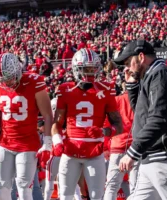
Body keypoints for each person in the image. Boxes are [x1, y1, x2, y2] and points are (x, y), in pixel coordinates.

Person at [115, 40, 167, 200]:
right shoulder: (152, 75)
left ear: (141, 57)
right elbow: (142, 115)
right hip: (154, 159)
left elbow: (159, 120)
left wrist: (133, 152)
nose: (127, 68)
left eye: (129, 63)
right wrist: (132, 88)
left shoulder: (161, 75)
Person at [52, 48, 123, 200]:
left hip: (94, 152)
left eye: (93, 69)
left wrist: (105, 131)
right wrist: (57, 141)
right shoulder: (65, 89)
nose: (90, 73)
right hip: (70, 151)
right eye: (86, 69)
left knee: (97, 196)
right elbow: (56, 124)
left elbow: (118, 124)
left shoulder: (106, 89)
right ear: (77, 69)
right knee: (65, 195)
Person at [0, 53, 53, 200]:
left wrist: (48, 143)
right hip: (5, 142)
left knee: (24, 188)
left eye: (9, 78)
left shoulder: (33, 81)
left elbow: (48, 114)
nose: (7, 82)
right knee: (1, 185)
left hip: (27, 144)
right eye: (3, 79)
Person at [104, 84, 138, 200]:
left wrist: (105, 148)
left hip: (118, 146)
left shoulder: (116, 100)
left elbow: (106, 126)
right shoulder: (141, 99)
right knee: (135, 186)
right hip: (136, 148)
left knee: (112, 186)